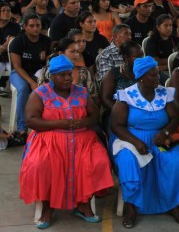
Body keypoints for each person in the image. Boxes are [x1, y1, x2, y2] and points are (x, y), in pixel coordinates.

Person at [20, 55, 113, 228]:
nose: (67, 78)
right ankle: (47, 207)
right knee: (40, 165)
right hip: (48, 139)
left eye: (69, 74)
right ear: (52, 76)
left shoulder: (81, 92)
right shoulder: (40, 93)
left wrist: (83, 123)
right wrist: (60, 123)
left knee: (97, 162)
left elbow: (94, 115)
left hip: (82, 138)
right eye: (62, 75)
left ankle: (83, 203)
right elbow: (31, 121)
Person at [111, 56, 179, 228]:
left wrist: (165, 131)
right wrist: (136, 143)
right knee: (128, 161)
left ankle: (174, 205)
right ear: (141, 77)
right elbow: (116, 125)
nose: (158, 77)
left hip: (160, 138)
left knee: (175, 161)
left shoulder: (164, 93)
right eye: (153, 75)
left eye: (157, 73)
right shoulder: (126, 96)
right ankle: (132, 207)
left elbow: (175, 118)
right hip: (130, 138)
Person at [9, 14, 52, 143]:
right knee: (23, 89)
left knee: (47, 89)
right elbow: (17, 66)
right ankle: (22, 128)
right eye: (31, 26)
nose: (35, 28)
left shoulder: (47, 41)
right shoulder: (18, 42)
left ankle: (43, 125)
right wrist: (31, 82)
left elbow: (48, 63)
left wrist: (41, 78)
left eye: (38, 25)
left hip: (40, 73)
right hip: (20, 73)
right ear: (25, 27)